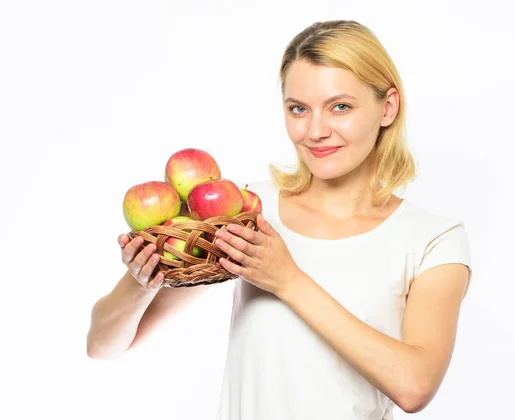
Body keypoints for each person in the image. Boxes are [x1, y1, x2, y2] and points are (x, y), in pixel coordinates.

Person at [87, 20, 473, 420]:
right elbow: (103, 345)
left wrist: (288, 281)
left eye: (340, 106)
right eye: (298, 109)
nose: (316, 130)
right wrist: (142, 280)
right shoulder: (249, 212)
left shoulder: (434, 240)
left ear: (387, 107)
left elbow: (415, 386)